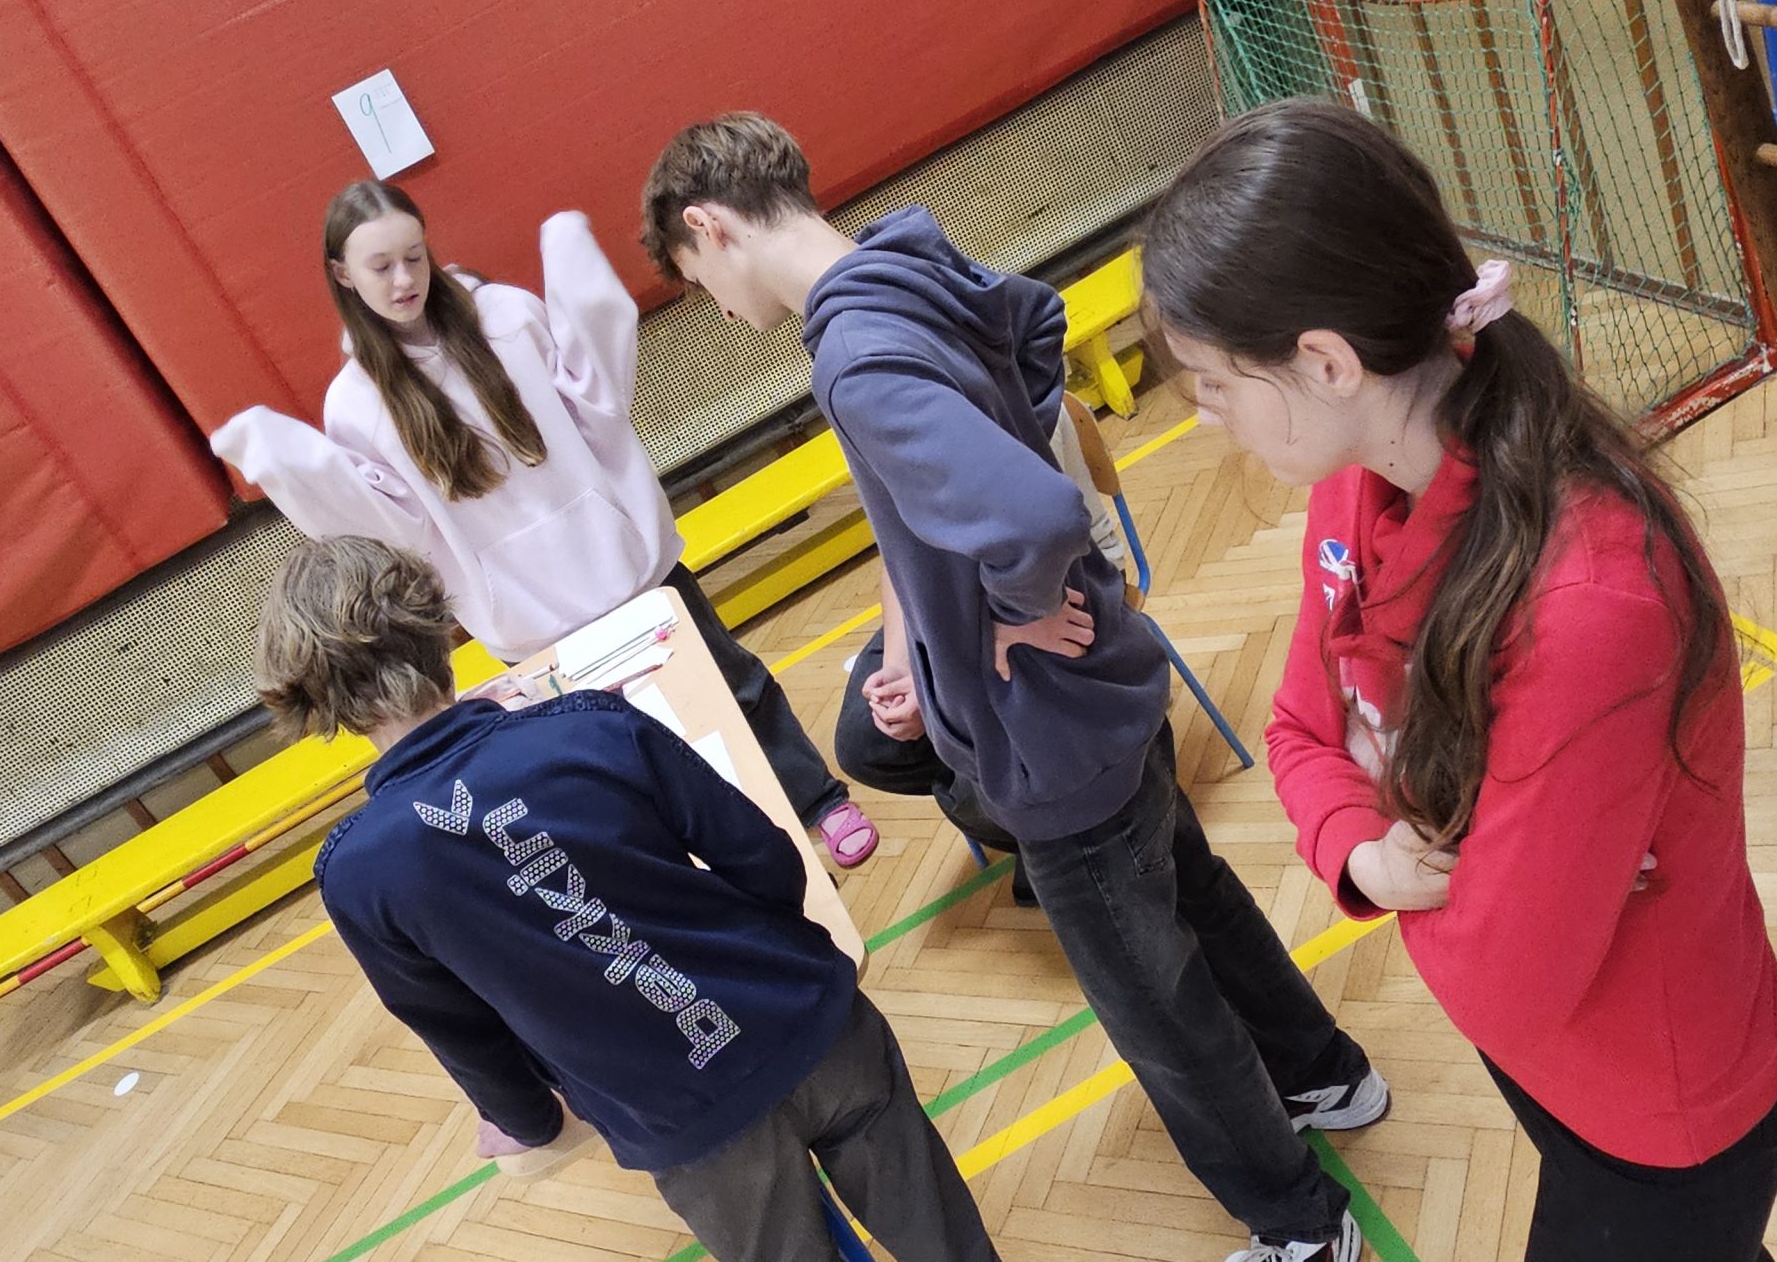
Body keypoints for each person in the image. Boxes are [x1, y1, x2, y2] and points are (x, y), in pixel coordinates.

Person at [645, 114, 1384, 1262]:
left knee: (1159, 1011)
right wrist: (929, 633)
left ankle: (1300, 1226)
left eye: (698, 280)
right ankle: (1324, 1075)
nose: (721, 310)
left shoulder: (853, 358)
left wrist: (1003, 613)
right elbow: (1036, 332)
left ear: (710, 225)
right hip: (1101, 678)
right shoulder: (905, 254)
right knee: (1194, 894)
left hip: (1048, 731)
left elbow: (1031, 514)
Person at [1138, 98, 1777, 1262]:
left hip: (1668, 1107)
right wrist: (1367, 854)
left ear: (1326, 361)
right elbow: (1298, 729)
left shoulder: (1590, 605)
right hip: (1562, 1071)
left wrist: (1416, 862)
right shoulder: (1359, 481)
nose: (1211, 420)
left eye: (1213, 384)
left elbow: (1506, 980)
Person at [265, 536, 996, 1262]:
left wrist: (531, 1119)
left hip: (683, 1121)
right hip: (807, 1020)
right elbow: (766, 858)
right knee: (944, 1238)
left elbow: (459, 1030)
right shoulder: (588, 724)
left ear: (319, 706)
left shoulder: (357, 874)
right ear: (440, 631)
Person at [211, 180, 876, 868]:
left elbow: (598, 402)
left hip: (627, 568)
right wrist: (284, 461)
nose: (404, 280)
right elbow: (389, 528)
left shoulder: (502, 316)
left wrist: (576, 266)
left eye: (413, 256)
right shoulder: (355, 404)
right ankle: (717, 867)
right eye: (381, 267)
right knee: (616, 754)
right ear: (343, 275)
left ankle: (818, 803)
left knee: (734, 687)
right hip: (529, 620)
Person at [837, 412, 1133, 907]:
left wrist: (957, 661)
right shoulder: (878, 413)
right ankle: (1018, 814)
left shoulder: (987, 407)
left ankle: (1050, 827)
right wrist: (902, 666)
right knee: (864, 743)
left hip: (1055, 591)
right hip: (957, 599)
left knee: (969, 774)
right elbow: (900, 553)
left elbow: (1046, 552)